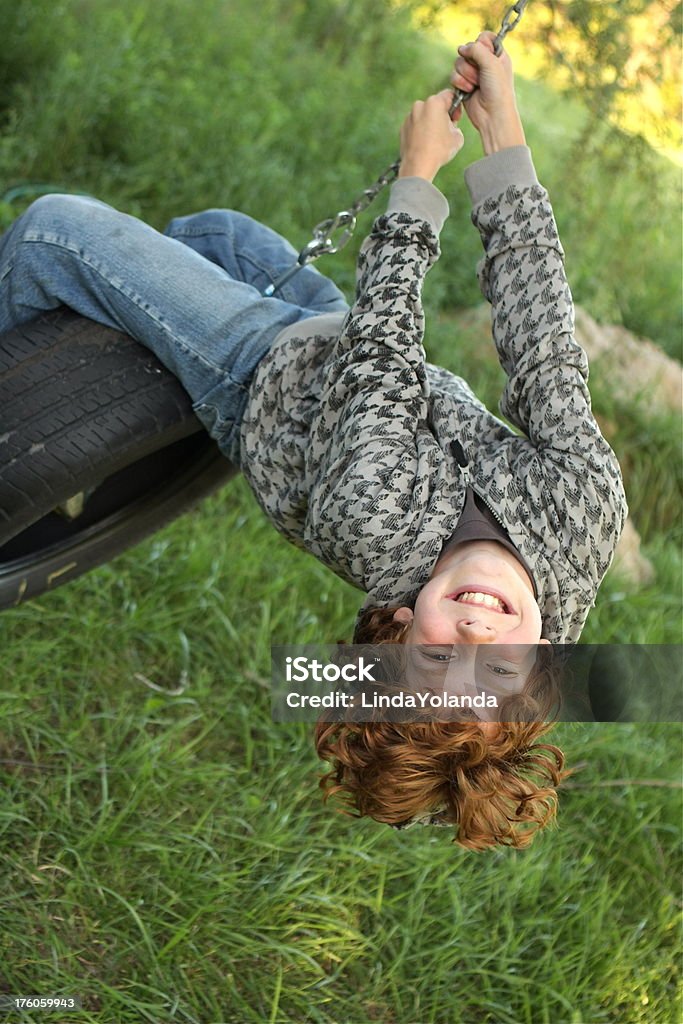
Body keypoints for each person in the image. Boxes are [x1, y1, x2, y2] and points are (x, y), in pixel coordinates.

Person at [0, 34, 627, 849]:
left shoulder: (376, 534)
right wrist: (502, 136)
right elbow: (540, 343)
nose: (473, 639)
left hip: (270, 385)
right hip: (342, 340)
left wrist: (417, 179)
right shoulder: (581, 520)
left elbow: (383, 364)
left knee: (56, 232)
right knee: (222, 237)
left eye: (437, 665)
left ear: (400, 627)